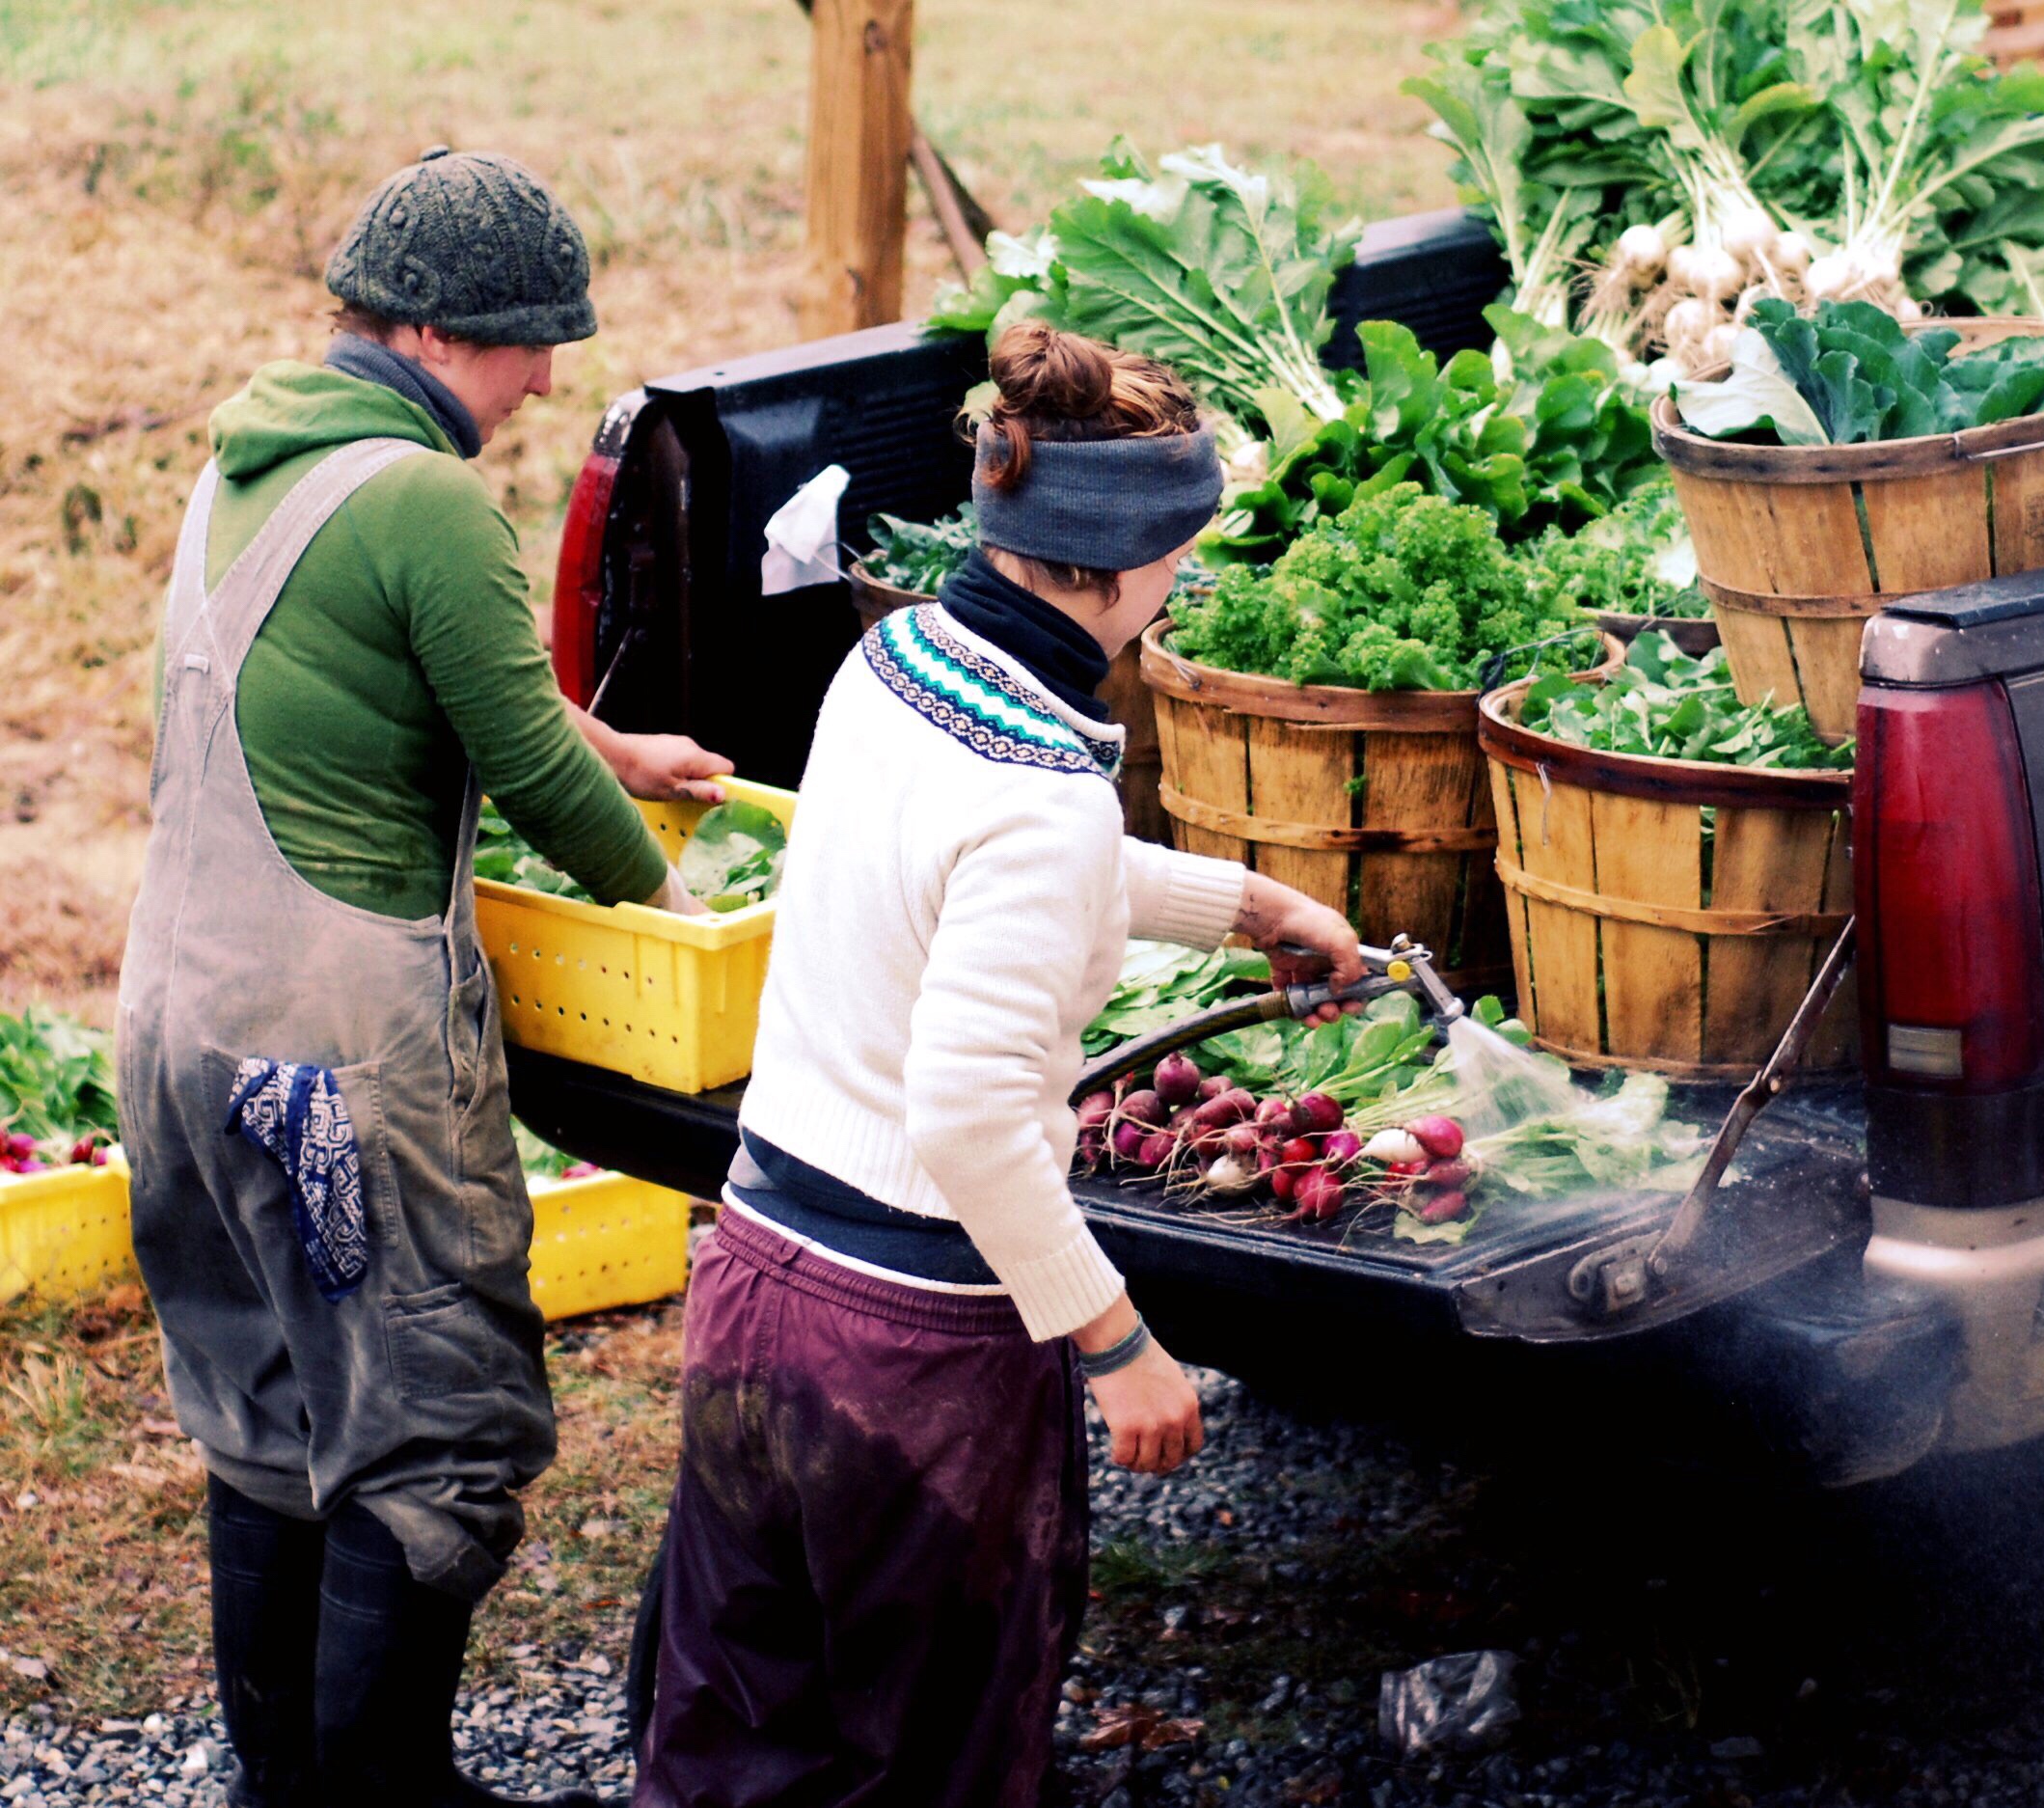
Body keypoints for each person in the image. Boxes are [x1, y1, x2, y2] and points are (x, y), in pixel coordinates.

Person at [634, 320, 1365, 1807]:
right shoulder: (1041, 801)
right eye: (1178, 555)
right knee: (939, 1757)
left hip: (759, 1273)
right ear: (1108, 567)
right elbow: (968, 1111)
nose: (1184, 583)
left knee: (735, 1731)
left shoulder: (895, 660)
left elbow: (956, 866)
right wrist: (1116, 1341)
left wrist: (1252, 905)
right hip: (910, 1355)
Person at [117, 148, 733, 1808]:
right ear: (457, 333)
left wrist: (624, 743)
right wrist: (683, 904)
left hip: (177, 1041)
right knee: (431, 1433)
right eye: (539, 344)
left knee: (268, 1416)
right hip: (329, 1076)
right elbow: (528, 769)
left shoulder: (256, 459)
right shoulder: (432, 494)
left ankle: (285, 1787)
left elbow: (411, 672)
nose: (549, 382)